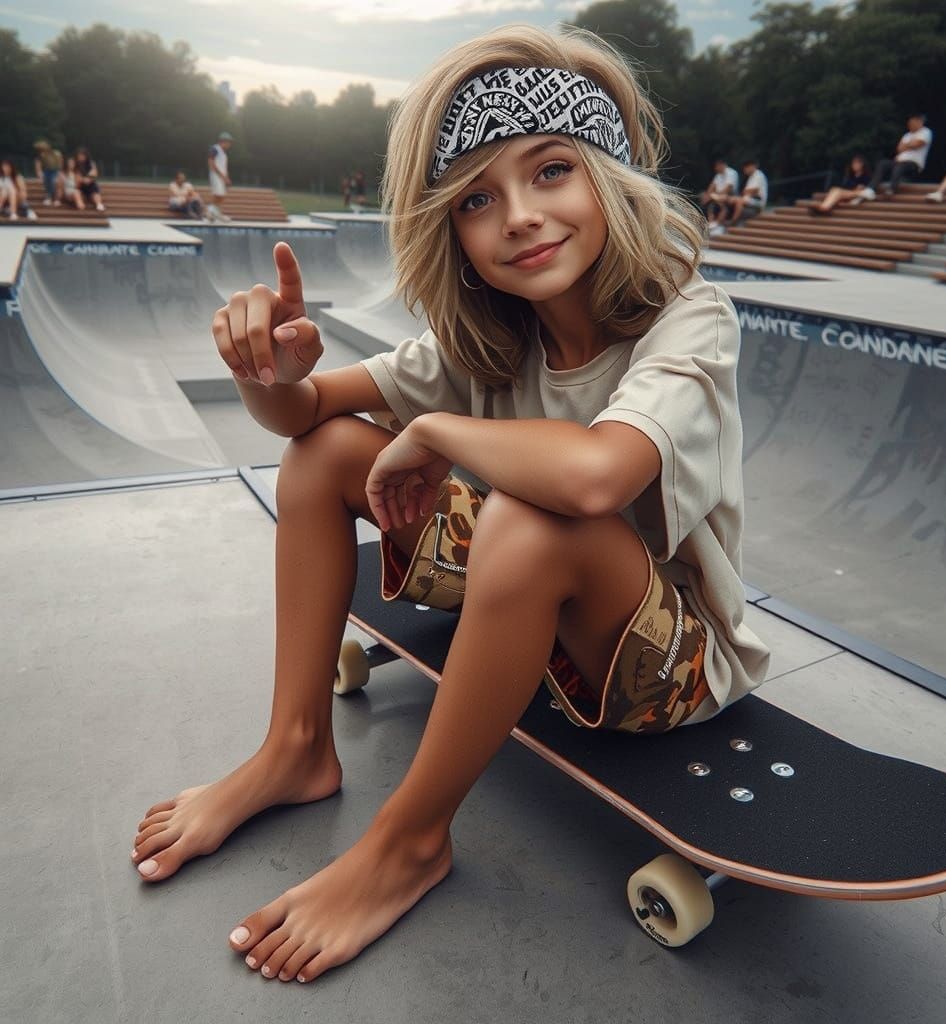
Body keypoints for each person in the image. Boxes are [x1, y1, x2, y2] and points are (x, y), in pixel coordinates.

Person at [132, 24, 770, 986]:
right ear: (456, 235)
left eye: (551, 170)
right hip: (532, 619)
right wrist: (271, 370)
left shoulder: (689, 317)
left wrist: (433, 434)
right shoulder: (490, 336)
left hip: (668, 664)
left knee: (533, 511)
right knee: (323, 454)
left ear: (610, 179)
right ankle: (295, 747)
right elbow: (303, 415)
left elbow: (598, 476)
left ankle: (410, 842)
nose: (519, 216)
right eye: (478, 198)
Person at [860, 113, 932, 201]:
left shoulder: (926, 132)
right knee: (883, 163)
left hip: (914, 164)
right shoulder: (907, 135)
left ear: (919, 122)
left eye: (912, 123)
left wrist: (906, 145)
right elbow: (899, 149)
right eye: (909, 123)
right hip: (900, 161)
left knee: (900, 166)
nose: (909, 125)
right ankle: (870, 189)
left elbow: (918, 144)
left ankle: (891, 190)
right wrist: (909, 145)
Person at [720, 158, 768, 230]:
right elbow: (746, 191)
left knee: (739, 201)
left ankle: (733, 221)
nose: (745, 170)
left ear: (752, 166)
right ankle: (721, 221)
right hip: (750, 199)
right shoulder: (751, 177)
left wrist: (746, 192)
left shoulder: (758, 175)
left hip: (758, 201)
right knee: (730, 199)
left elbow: (753, 190)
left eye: (746, 168)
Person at [701, 157, 738, 230]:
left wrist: (714, 195)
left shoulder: (731, 173)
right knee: (704, 196)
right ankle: (710, 221)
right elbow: (712, 187)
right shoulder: (718, 175)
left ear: (722, 165)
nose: (715, 168)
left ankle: (718, 222)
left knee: (718, 200)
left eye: (717, 166)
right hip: (717, 195)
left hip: (729, 195)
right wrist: (707, 195)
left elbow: (728, 188)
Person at [207, 131, 233, 221]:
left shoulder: (224, 153)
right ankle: (209, 213)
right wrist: (222, 176)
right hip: (215, 175)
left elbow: (224, 167)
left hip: (222, 177)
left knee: (221, 196)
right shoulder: (214, 149)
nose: (230, 144)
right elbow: (211, 163)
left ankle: (216, 214)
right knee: (217, 195)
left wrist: (227, 178)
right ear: (223, 141)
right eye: (229, 142)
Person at [72, 147, 105, 211]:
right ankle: (81, 205)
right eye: (79, 155)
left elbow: (94, 173)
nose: (81, 157)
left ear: (86, 156)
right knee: (77, 191)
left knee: (94, 190)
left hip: (90, 183)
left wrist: (88, 179)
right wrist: (83, 179)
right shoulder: (75, 164)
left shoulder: (91, 163)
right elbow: (76, 176)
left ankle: (99, 204)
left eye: (82, 155)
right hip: (79, 185)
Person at [33, 140, 63, 206]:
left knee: (54, 182)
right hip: (47, 171)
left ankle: (55, 198)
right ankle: (48, 197)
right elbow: (37, 164)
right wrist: (39, 172)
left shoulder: (56, 153)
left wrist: (60, 172)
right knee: (47, 182)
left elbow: (60, 162)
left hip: (55, 170)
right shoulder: (40, 156)